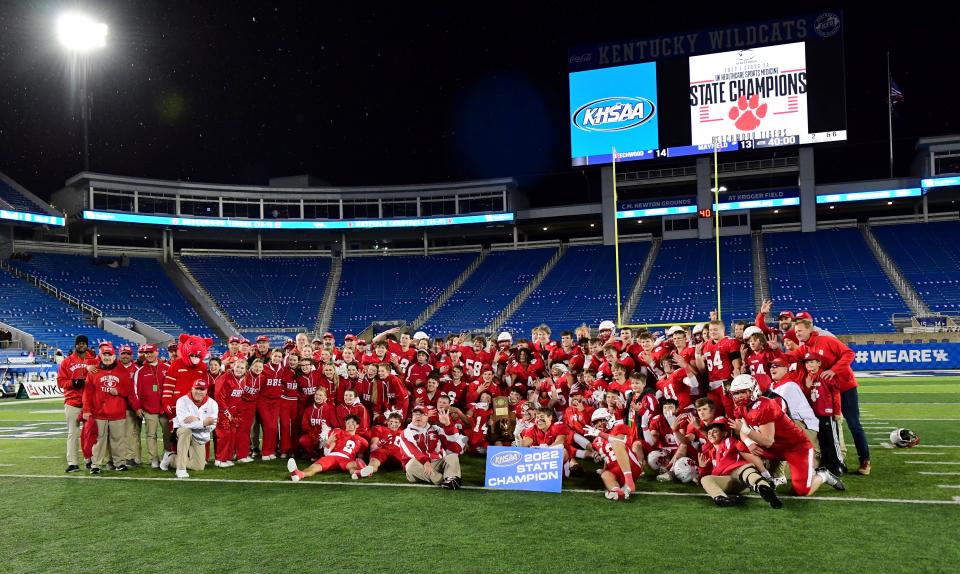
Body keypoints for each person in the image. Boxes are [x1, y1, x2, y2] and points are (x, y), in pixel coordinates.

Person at [728, 374, 844, 497]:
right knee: (741, 446)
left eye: (743, 392)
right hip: (776, 448)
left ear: (754, 390)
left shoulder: (766, 405)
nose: (739, 397)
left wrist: (744, 430)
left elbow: (767, 441)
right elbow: (742, 427)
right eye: (736, 393)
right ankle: (767, 477)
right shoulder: (742, 408)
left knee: (801, 492)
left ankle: (823, 475)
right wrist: (749, 442)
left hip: (796, 448)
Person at [698, 420, 782, 508]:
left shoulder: (729, 441)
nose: (711, 434)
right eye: (709, 433)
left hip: (740, 476)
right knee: (705, 479)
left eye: (715, 432)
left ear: (724, 434)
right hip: (729, 482)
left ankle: (764, 488)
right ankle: (721, 499)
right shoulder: (710, 453)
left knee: (745, 469)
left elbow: (727, 461)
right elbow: (702, 481)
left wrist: (715, 472)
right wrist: (702, 468)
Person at [82, 342, 133, 474]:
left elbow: (128, 389)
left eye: (109, 355)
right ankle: (96, 464)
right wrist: (86, 410)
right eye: (105, 355)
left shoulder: (122, 371)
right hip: (99, 413)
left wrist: (119, 391)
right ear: (100, 355)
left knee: (118, 440)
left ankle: (119, 463)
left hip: (117, 412)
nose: (107, 357)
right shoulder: (94, 371)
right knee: (98, 440)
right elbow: (87, 393)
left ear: (114, 356)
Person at [56, 335, 97, 472]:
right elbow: (60, 382)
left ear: (87, 345)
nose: (81, 345)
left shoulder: (94, 360)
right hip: (72, 402)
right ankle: (73, 462)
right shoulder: (66, 362)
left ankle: (89, 460)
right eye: (79, 343)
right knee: (73, 433)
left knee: (89, 434)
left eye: (83, 343)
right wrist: (73, 383)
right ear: (75, 345)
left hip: (90, 403)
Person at [164, 379, 218, 478]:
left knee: (198, 466)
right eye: (197, 388)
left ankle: (170, 458)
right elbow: (183, 423)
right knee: (186, 431)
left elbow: (212, 426)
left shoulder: (213, 404)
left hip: (199, 436)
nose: (199, 392)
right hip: (182, 432)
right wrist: (203, 422)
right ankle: (180, 469)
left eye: (202, 389)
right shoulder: (182, 401)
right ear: (192, 389)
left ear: (206, 391)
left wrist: (197, 420)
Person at [287, 414, 369, 481]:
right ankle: (299, 474)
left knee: (353, 466)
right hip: (333, 455)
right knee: (315, 466)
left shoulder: (362, 440)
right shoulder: (338, 432)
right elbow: (327, 452)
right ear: (345, 423)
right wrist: (328, 443)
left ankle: (357, 473)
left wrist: (360, 461)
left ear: (357, 425)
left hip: (347, 459)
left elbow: (361, 454)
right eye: (348, 423)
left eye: (353, 423)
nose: (350, 424)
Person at [399, 405, 464, 489]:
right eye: (415, 414)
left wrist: (448, 425)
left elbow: (452, 440)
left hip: (437, 462)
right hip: (419, 466)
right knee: (410, 465)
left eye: (422, 414)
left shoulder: (436, 429)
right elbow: (412, 451)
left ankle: (451, 478)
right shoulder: (406, 432)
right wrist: (425, 462)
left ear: (427, 417)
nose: (418, 416)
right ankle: (444, 480)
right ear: (412, 417)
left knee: (453, 456)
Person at [129, 344, 168, 468]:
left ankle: (168, 456)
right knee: (151, 435)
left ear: (156, 352)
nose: (149, 355)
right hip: (149, 409)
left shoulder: (167, 368)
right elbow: (135, 391)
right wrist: (137, 407)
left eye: (151, 352)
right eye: (146, 353)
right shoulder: (140, 371)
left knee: (168, 434)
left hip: (165, 409)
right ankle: (154, 459)